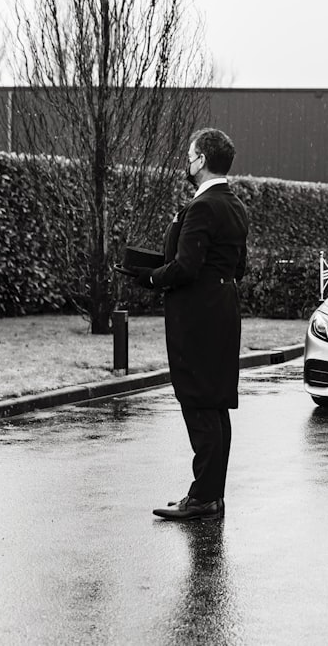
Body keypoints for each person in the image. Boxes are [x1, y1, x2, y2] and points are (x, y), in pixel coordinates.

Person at [127, 128, 249, 521]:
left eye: (190, 155)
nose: (187, 160)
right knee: (215, 404)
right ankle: (212, 493)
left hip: (197, 318)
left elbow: (186, 267)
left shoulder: (202, 208)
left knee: (197, 402)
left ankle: (202, 498)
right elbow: (238, 267)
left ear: (201, 161)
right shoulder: (235, 206)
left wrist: (147, 277)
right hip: (224, 311)